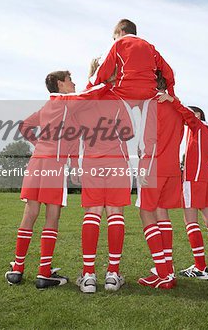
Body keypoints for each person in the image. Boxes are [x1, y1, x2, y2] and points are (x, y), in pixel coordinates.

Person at [5, 71, 110, 289]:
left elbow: (23, 126)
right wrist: (108, 82)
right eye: (70, 81)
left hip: (36, 162)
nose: (74, 84)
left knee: (30, 214)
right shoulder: (69, 102)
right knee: (52, 217)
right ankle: (44, 273)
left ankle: (17, 270)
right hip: (55, 165)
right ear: (60, 84)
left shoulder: (47, 106)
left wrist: (40, 146)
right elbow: (92, 93)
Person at [74, 59, 135, 293]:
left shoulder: (83, 99)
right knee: (115, 214)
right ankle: (112, 275)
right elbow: (127, 134)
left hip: (91, 163)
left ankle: (89, 275)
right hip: (117, 162)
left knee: (93, 213)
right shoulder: (119, 100)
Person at [135, 72, 198, 289]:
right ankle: (168, 270)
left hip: (153, 166)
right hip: (172, 168)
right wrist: (176, 101)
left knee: (146, 213)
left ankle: (163, 273)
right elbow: (196, 124)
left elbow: (148, 139)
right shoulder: (174, 105)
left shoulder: (151, 103)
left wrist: (143, 165)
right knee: (162, 213)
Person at [158, 95, 208, 279]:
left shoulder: (196, 126)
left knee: (191, 222)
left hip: (193, 179)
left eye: (190, 114)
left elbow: (183, 111)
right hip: (206, 180)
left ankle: (200, 268)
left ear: (197, 115)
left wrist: (170, 99)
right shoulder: (207, 133)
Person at [88, 19, 176, 100]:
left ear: (121, 32)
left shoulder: (118, 44)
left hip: (125, 91)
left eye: (114, 38)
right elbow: (168, 71)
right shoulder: (149, 47)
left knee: (103, 93)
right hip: (149, 93)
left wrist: (90, 87)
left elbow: (104, 69)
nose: (114, 40)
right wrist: (171, 94)